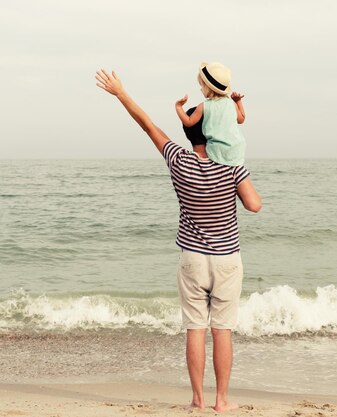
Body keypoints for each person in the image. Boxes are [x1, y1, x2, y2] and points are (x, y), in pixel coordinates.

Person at [95, 69, 261, 412]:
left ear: (190, 133)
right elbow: (254, 205)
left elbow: (148, 126)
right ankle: (221, 400)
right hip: (227, 259)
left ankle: (198, 399)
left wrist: (121, 93)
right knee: (223, 331)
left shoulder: (179, 160)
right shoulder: (233, 167)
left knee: (195, 329)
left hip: (192, 260)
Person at [175, 62, 247, 167]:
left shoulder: (203, 106)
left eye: (201, 85)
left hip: (217, 152)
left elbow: (188, 122)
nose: (200, 89)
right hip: (237, 151)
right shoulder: (231, 104)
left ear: (207, 87)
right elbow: (241, 119)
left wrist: (178, 107)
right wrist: (238, 101)